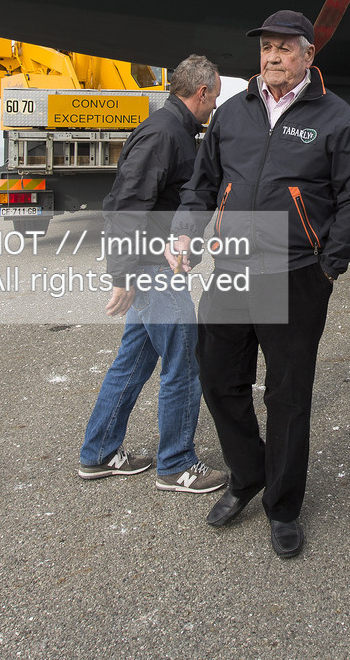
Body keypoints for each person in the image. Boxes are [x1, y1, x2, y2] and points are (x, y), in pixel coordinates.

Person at [169, 10, 350, 560]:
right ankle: (248, 474)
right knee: (218, 380)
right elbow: (203, 184)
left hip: (295, 274)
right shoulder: (233, 113)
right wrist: (185, 231)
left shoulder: (335, 117)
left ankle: (282, 506)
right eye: (266, 47)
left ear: (308, 54)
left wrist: (330, 264)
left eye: (285, 47)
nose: (273, 56)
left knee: (288, 396)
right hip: (232, 269)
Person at [76, 55, 229, 495]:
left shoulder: (174, 130)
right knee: (184, 360)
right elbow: (126, 203)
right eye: (215, 97)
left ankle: (99, 453)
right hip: (151, 270)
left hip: (153, 267)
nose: (214, 106)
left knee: (133, 361)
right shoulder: (164, 133)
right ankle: (176, 464)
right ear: (201, 92)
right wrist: (123, 274)